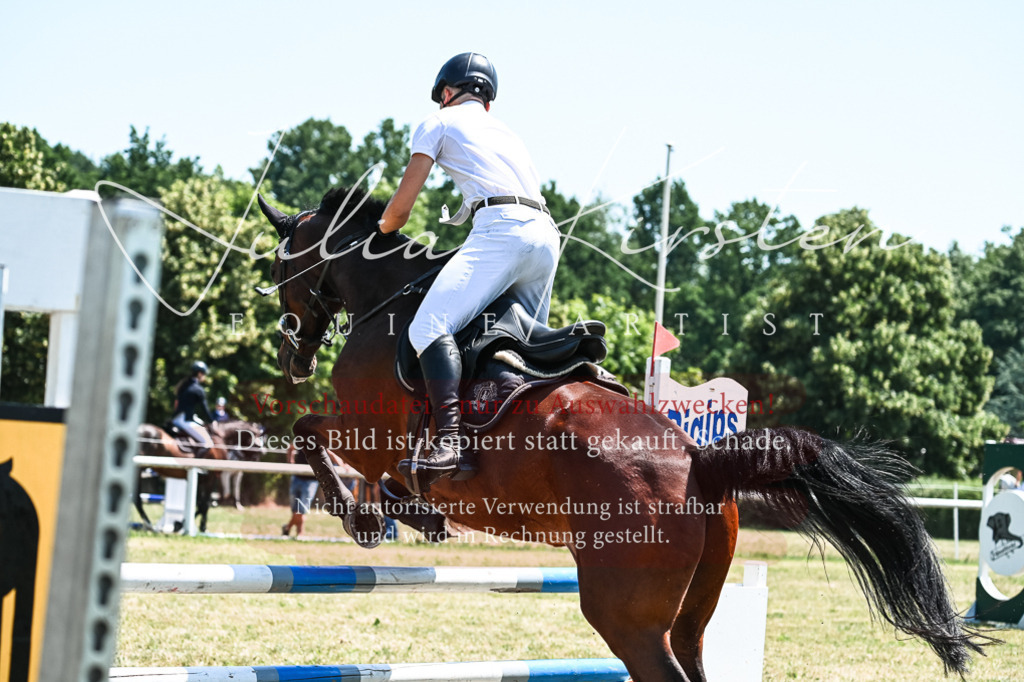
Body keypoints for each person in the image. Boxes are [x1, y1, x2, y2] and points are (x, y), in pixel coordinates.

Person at [378, 52, 560, 488]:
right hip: (547, 236)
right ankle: (520, 449)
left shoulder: (437, 121)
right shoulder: (508, 134)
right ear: (488, 102)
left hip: (503, 231)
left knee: (427, 329)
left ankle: (450, 442)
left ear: (446, 92)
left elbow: (399, 213)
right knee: (520, 346)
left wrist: (380, 229)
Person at [171, 361, 214, 454]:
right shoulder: (198, 389)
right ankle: (195, 467)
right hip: (185, 420)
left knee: (201, 423)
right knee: (208, 442)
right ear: (199, 373)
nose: (205, 376)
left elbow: (176, 404)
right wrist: (212, 421)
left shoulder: (183, 385)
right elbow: (205, 409)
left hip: (176, 418)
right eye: (204, 374)